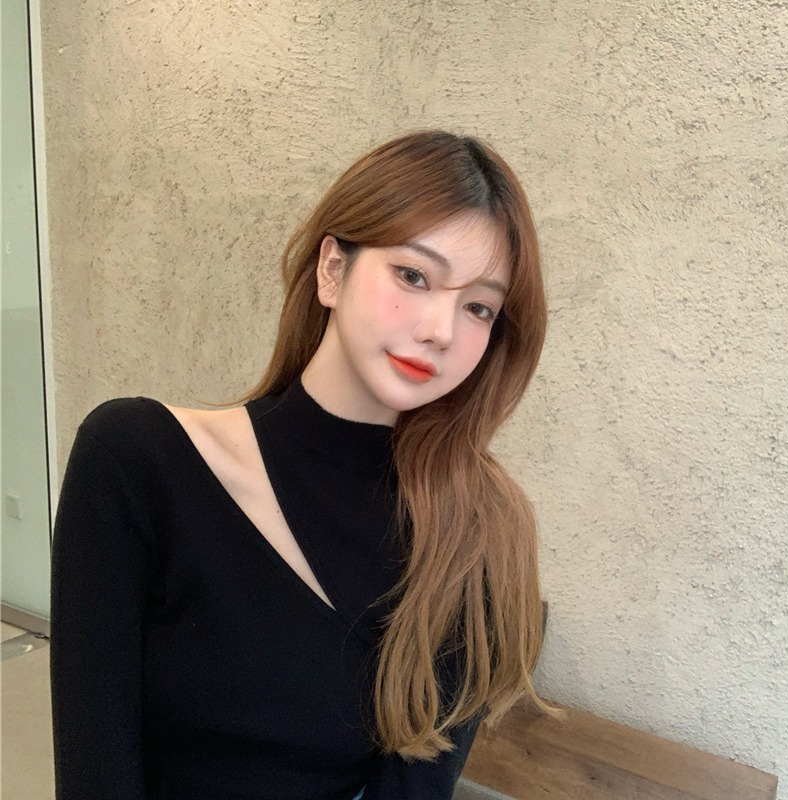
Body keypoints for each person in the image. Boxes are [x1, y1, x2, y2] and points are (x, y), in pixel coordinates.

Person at [50, 130, 553, 800]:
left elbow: (413, 789)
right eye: (413, 275)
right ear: (332, 270)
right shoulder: (136, 460)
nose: (440, 328)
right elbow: (95, 769)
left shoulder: (476, 531)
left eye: (479, 307)